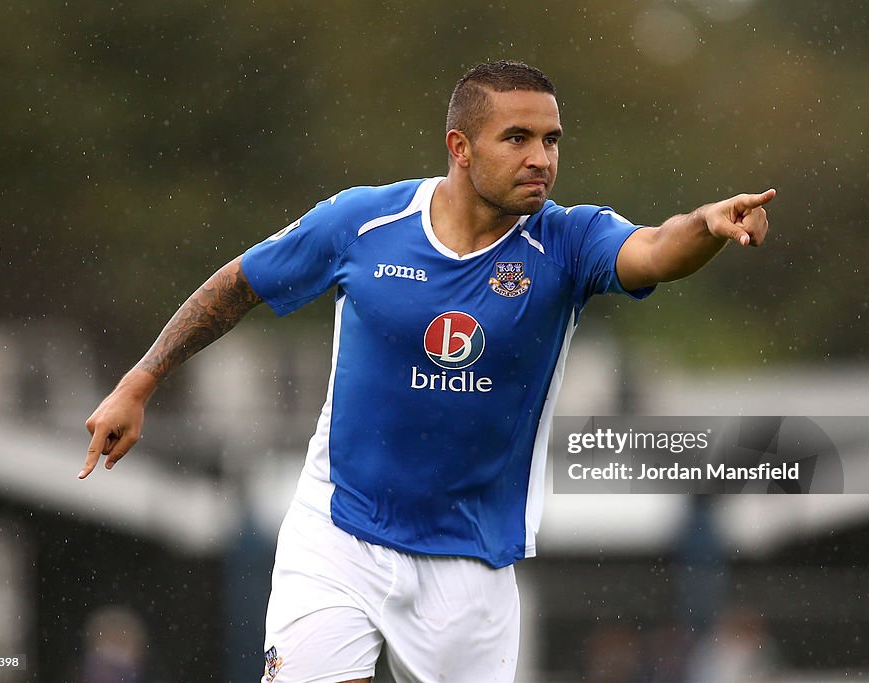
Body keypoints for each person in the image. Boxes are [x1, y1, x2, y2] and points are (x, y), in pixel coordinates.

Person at [80, 60, 773, 683]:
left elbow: (654, 250)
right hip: (339, 529)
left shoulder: (568, 239)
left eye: (552, 140)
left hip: (469, 561)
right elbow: (240, 283)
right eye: (519, 138)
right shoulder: (363, 223)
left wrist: (707, 226)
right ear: (460, 148)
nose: (542, 159)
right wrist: (139, 382)